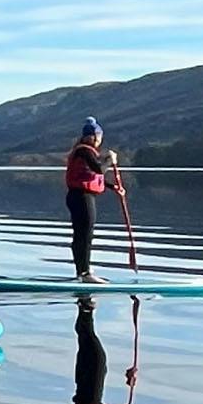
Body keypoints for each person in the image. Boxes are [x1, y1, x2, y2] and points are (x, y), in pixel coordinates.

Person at [64, 117, 118, 283]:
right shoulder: (85, 151)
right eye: (99, 137)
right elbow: (99, 169)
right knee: (85, 235)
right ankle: (85, 273)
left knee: (80, 234)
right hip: (82, 197)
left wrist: (112, 186)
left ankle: (81, 271)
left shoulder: (83, 151)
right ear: (95, 137)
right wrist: (110, 160)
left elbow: (90, 175)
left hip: (77, 196)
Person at [73, 296, 126, 404]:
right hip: (87, 392)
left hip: (89, 394)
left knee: (95, 353)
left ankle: (86, 309)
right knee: (88, 345)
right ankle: (85, 310)